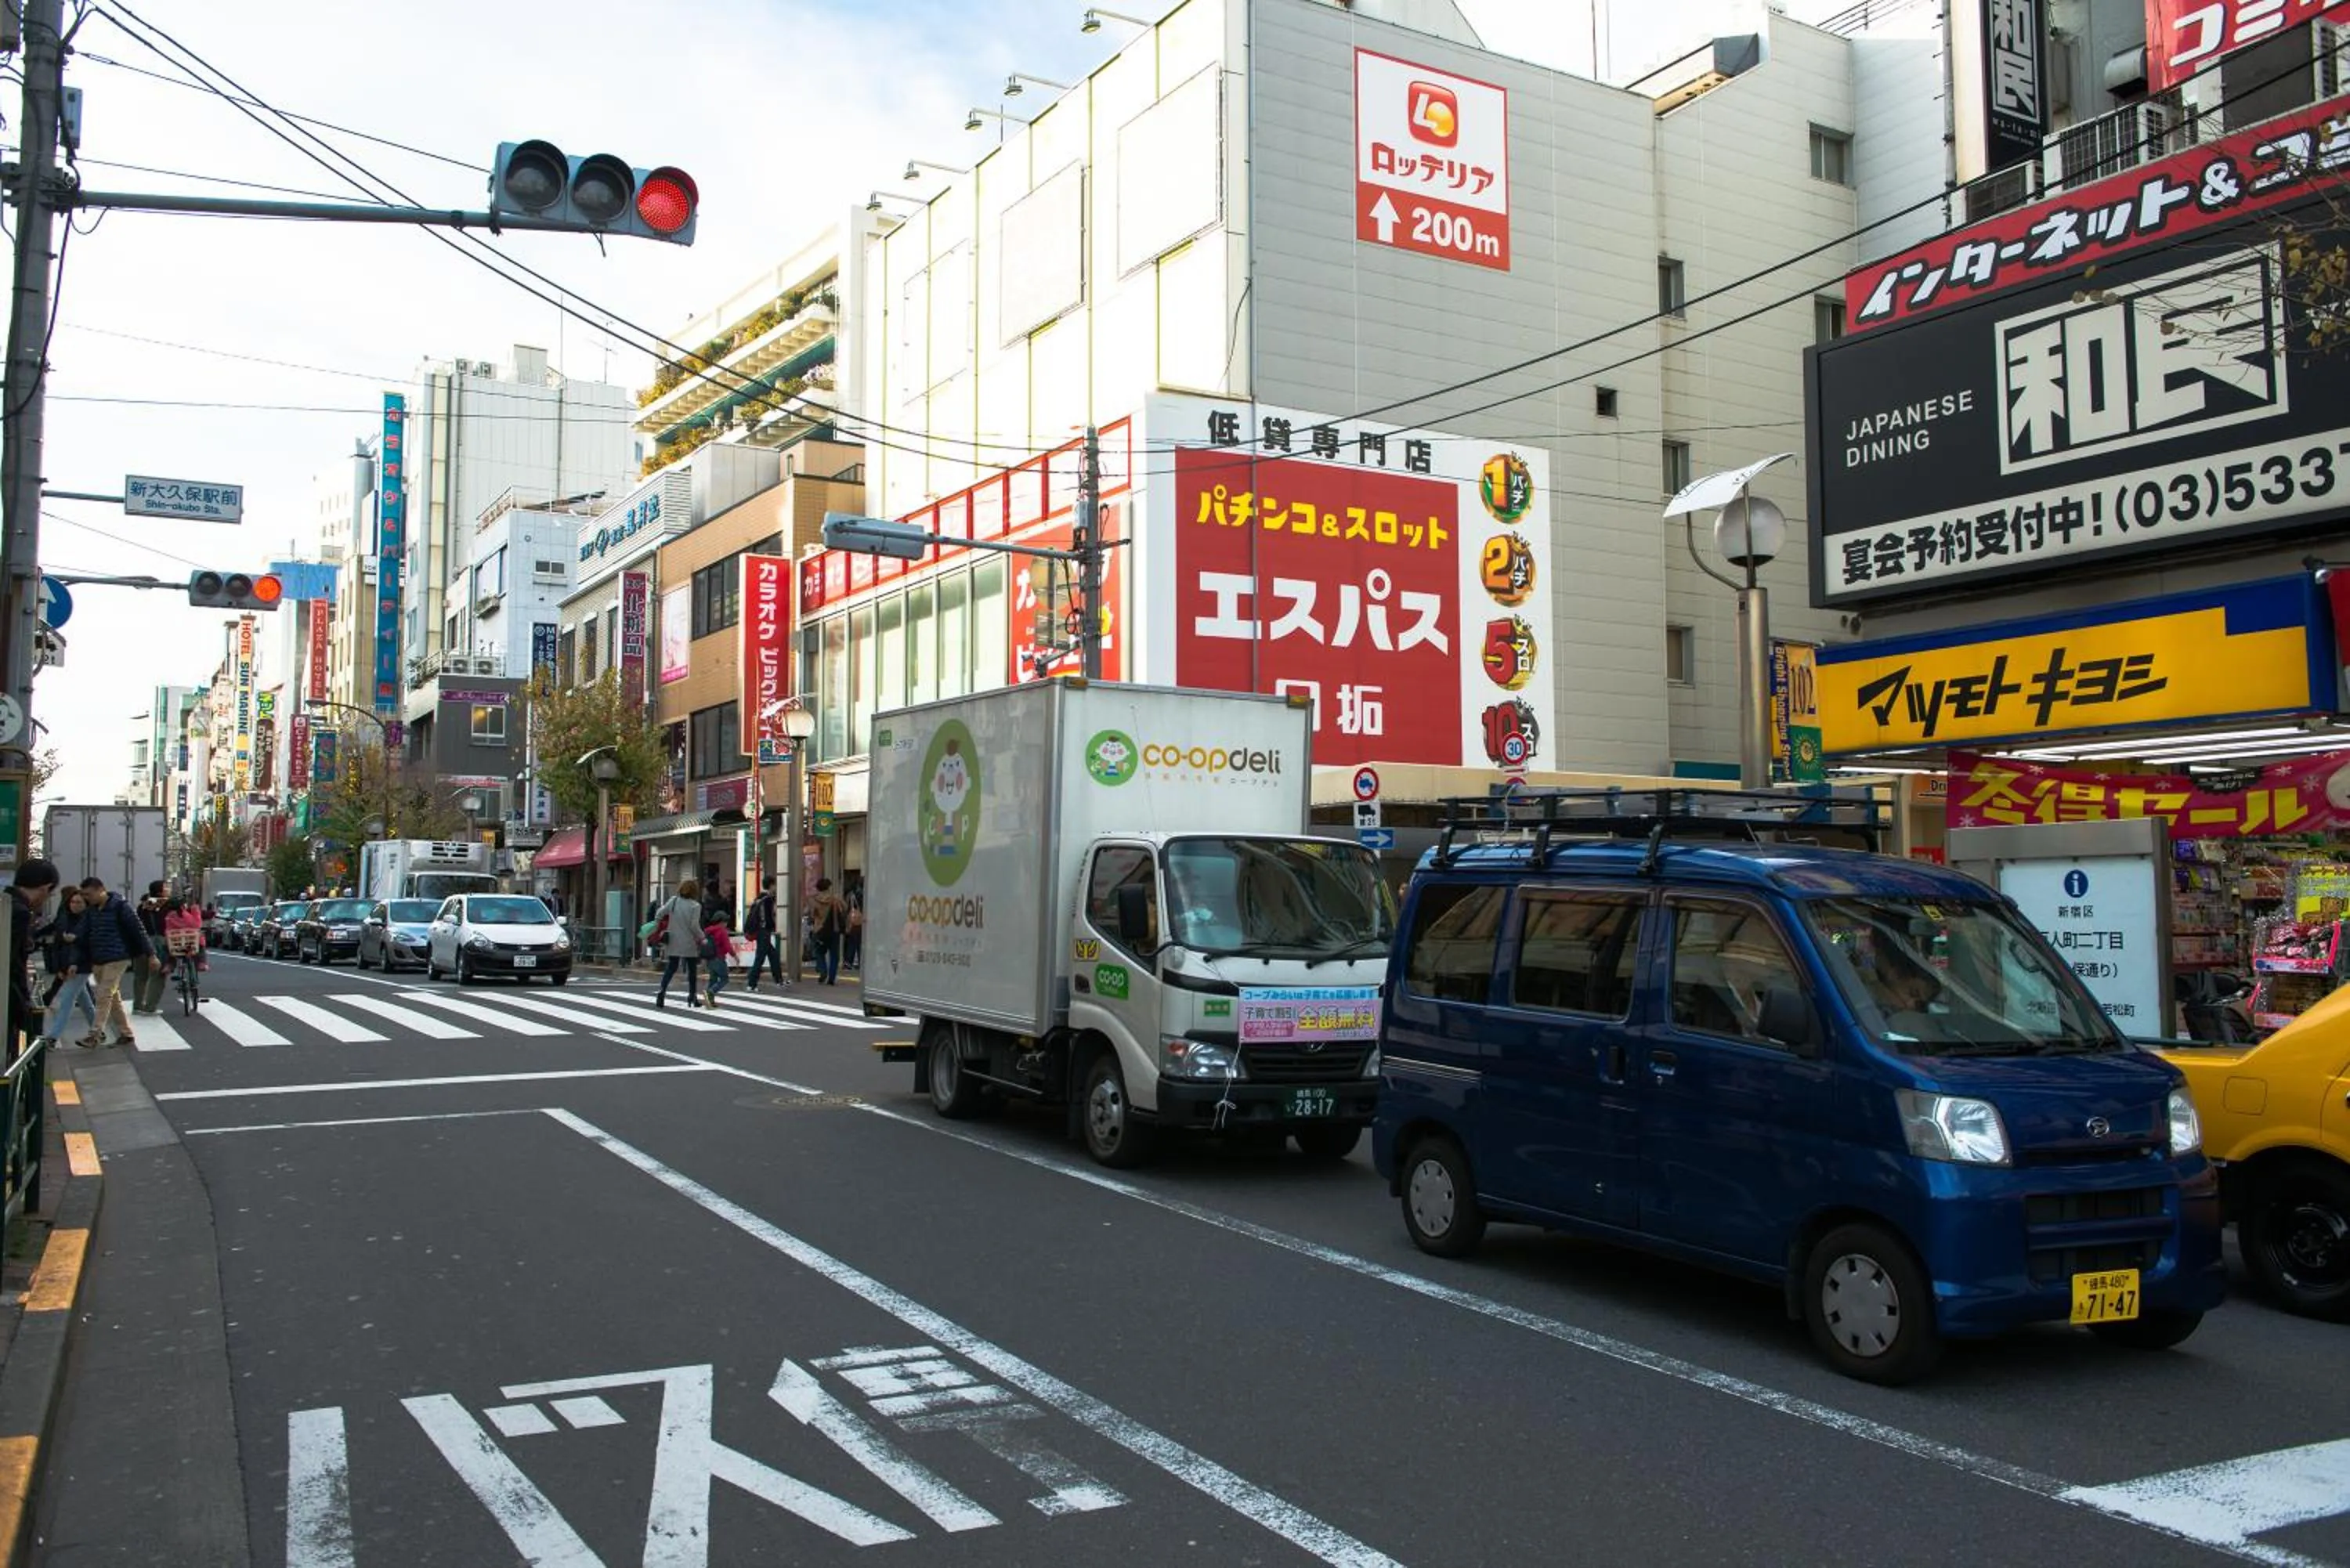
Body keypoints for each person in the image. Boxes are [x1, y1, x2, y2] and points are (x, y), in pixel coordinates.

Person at [78, 877, 157, 1048]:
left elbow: (139, 931)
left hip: (118, 958)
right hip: (98, 958)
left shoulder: (121, 907)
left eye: (89, 894)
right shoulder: (91, 910)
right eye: (84, 895)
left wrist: (151, 954)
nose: (86, 898)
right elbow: (84, 934)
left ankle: (95, 1034)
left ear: (101, 890)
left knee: (104, 994)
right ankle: (126, 1033)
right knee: (112, 998)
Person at [6, 860, 60, 1060]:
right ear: (45, 888)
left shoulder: (7, 902)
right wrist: (24, 1003)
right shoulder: (19, 912)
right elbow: (11, 963)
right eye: (50, 893)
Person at [35, 884, 95, 1049]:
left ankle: (53, 1037)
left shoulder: (89, 921)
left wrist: (73, 958)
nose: (75, 905)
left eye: (79, 902)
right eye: (73, 902)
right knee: (84, 1001)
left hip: (81, 965)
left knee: (67, 1000)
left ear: (86, 905)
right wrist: (61, 967)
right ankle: (98, 1030)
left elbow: (86, 946)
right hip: (68, 963)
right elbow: (59, 946)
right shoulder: (64, 918)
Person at [653, 876, 706, 1009]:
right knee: (692, 970)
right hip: (689, 941)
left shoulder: (674, 901)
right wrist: (702, 937)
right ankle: (692, 997)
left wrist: (658, 922)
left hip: (674, 940)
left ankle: (662, 991)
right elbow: (694, 925)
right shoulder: (695, 906)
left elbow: (660, 912)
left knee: (671, 967)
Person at [132, 880, 169, 1015]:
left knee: (140, 976)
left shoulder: (142, 906)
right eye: (166, 888)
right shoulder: (165, 904)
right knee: (158, 976)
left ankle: (137, 1005)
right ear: (160, 891)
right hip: (158, 942)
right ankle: (150, 1007)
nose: (168, 890)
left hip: (140, 942)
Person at [743, 876, 785, 992]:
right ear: (771, 885)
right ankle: (752, 984)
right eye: (774, 885)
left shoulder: (759, 898)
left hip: (760, 931)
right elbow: (768, 917)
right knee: (760, 958)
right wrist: (772, 925)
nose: (775, 887)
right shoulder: (767, 900)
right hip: (764, 931)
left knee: (773, 955)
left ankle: (779, 981)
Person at [808, 877, 849, 985]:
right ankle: (831, 978)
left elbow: (812, 915)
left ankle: (823, 971)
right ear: (828, 887)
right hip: (834, 930)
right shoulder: (834, 899)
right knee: (834, 955)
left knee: (819, 952)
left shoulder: (815, 900)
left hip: (819, 930)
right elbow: (845, 908)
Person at [703, 905, 736, 1010]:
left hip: (709, 958)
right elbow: (727, 946)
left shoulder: (707, 931)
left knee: (713, 979)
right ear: (721, 922)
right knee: (724, 979)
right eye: (725, 921)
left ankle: (710, 1001)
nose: (726, 924)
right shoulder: (722, 931)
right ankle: (710, 993)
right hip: (719, 958)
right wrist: (735, 956)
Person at [842, 880, 864, 972]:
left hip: (853, 920)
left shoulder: (851, 895)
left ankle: (849, 962)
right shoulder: (865, 894)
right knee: (860, 943)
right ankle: (861, 962)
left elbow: (847, 908)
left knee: (852, 942)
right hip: (862, 920)